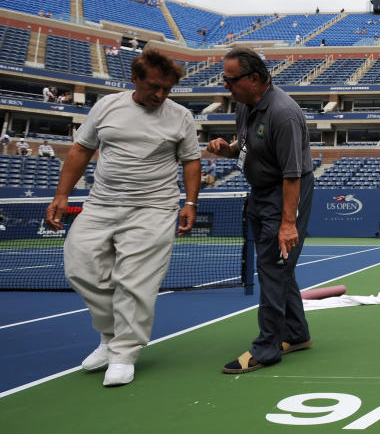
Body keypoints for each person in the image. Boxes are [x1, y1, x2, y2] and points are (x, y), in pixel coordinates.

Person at [44, 48, 200, 387]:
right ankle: (110, 335)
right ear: (135, 79)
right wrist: (62, 195)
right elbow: (81, 150)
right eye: (154, 87)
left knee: (135, 281)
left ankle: (124, 353)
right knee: (79, 266)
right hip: (101, 204)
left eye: (167, 89)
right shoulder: (106, 106)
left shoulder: (181, 117)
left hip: (154, 208)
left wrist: (189, 202)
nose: (160, 95)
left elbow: (190, 161)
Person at [207, 46, 315, 375]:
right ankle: (296, 334)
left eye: (231, 79)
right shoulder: (245, 104)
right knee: (278, 266)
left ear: (254, 79)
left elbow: (292, 174)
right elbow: (246, 144)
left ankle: (267, 346)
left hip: (285, 192)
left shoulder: (284, 113)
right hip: (260, 191)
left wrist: (287, 223)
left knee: (272, 267)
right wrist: (229, 150)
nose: (226, 85)